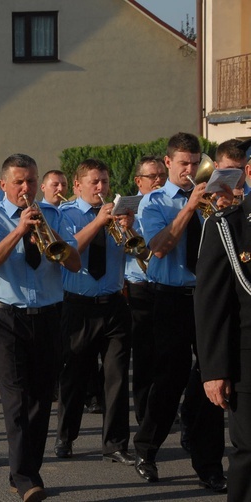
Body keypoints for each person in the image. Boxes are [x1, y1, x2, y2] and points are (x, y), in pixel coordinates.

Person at [0, 153, 80, 500]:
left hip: (49, 315)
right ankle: (25, 477)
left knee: (41, 399)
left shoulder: (53, 215)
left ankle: (24, 470)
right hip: (7, 317)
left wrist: (52, 242)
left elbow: (76, 264)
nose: (26, 188)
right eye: (19, 181)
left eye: (31, 181)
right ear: (3, 185)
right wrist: (19, 230)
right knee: (16, 399)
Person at [134, 132, 226, 489]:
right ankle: (147, 448)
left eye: (195, 162)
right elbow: (158, 247)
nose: (191, 170)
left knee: (213, 376)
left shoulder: (211, 198)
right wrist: (190, 207)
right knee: (168, 379)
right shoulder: (154, 202)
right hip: (169, 297)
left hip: (207, 296)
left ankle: (209, 464)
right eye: (183, 163)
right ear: (168, 163)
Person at [54, 159, 137, 467]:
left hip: (114, 303)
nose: (101, 187)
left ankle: (115, 444)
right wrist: (98, 223)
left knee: (116, 378)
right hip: (78, 305)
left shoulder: (116, 213)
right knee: (74, 375)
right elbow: (66, 250)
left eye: (104, 181)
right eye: (94, 182)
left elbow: (138, 250)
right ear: (77, 186)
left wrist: (130, 228)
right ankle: (66, 436)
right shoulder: (64, 214)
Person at [195, 194, 251, 502]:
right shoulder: (227, 226)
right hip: (246, 359)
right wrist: (214, 370)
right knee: (249, 452)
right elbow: (212, 303)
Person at [127, 156, 167, 426]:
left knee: (166, 353)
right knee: (143, 356)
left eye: (162, 175)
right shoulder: (128, 208)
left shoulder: (168, 204)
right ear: (138, 180)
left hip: (164, 286)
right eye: (152, 176)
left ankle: (164, 406)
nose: (158, 180)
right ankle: (144, 412)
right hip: (138, 286)